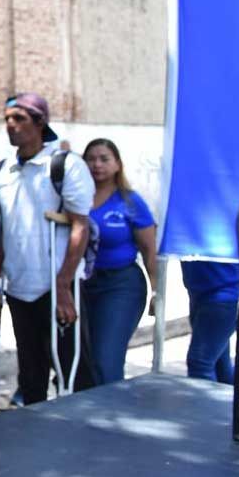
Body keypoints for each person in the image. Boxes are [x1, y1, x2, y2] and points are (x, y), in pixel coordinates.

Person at [0, 93, 96, 404]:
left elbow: (80, 225)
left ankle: (78, 430)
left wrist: (64, 282)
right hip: (19, 286)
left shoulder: (64, 165)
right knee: (31, 370)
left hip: (56, 284)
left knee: (70, 365)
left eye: (19, 119)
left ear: (40, 123)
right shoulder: (0, 172)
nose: (11, 126)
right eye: (7, 120)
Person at [82, 138, 158, 385]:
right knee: (85, 361)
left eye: (104, 159)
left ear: (117, 165)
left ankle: (111, 418)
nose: (97, 165)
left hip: (120, 285)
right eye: (91, 159)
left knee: (107, 360)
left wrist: (158, 290)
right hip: (83, 286)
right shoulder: (76, 198)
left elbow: (149, 249)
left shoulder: (130, 202)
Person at [181, 260, 239, 383]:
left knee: (200, 363)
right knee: (220, 364)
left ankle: (205, 402)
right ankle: (236, 401)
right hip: (203, 294)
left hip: (224, 295)